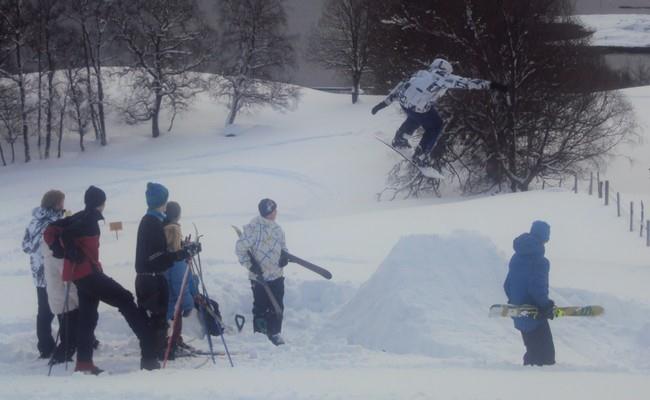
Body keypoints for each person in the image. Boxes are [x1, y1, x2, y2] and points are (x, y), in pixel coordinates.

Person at [45, 186, 158, 374]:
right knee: (125, 299)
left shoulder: (80, 215)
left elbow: (51, 229)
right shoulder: (88, 220)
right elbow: (66, 234)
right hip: (88, 274)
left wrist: (67, 250)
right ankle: (149, 354)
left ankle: (84, 363)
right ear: (101, 203)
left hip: (79, 276)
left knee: (88, 318)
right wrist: (71, 251)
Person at [370, 58, 508, 166]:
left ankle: (400, 138)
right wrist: (494, 85)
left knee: (416, 116)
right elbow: (469, 82)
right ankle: (421, 154)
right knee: (435, 125)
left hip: (404, 103)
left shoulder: (420, 73)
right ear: (447, 70)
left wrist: (382, 104)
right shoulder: (445, 77)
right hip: (419, 107)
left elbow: (401, 87)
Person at [135, 184, 200, 361]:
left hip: (152, 277)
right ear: (161, 202)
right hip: (151, 278)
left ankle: (160, 352)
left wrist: (183, 249)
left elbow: (164, 251)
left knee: (159, 320)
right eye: (164, 202)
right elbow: (158, 257)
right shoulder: (152, 223)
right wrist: (181, 254)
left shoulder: (155, 221)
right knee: (157, 321)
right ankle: (157, 356)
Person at [235, 198, 289, 346]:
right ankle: (260, 335)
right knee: (261, 306)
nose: (276, 213)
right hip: (259, 277)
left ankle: (275, 333)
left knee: (277, 306)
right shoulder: (253, 228)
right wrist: (250, 265)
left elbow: (283, 247)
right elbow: (240, 248)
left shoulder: (278, 229)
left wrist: (284, 256)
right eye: (274, 210)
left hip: (277, 275)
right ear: (268, 211)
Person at [503, 220, 556, 366]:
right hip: (535, 314)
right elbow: (537, 288)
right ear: (545, 237)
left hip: (519, 313)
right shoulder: (540, 261)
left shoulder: (516, 257)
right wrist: (546, 306)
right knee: (546, 358)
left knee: (532, 351)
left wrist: (515, 302)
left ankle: (527, 380)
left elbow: (507, 285)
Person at [22, 190, 66, 359]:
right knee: (63, 307)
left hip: (38, 273)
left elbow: (25, 245)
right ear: (55, 204)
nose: (63, 205)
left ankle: (46, 346)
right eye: (61, 202)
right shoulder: (52, 222)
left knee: (45, 310)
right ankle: (66, 342)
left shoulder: (34, 221)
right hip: (52, 271)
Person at [162, 201, 199, 358]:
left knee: (169, 322)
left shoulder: (163, 233)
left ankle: (173, 341)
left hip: (166, 299)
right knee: (175, 319)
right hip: (173, 301)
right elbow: (180, 284)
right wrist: (188, 304)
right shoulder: (176, 261)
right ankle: (172, 343)